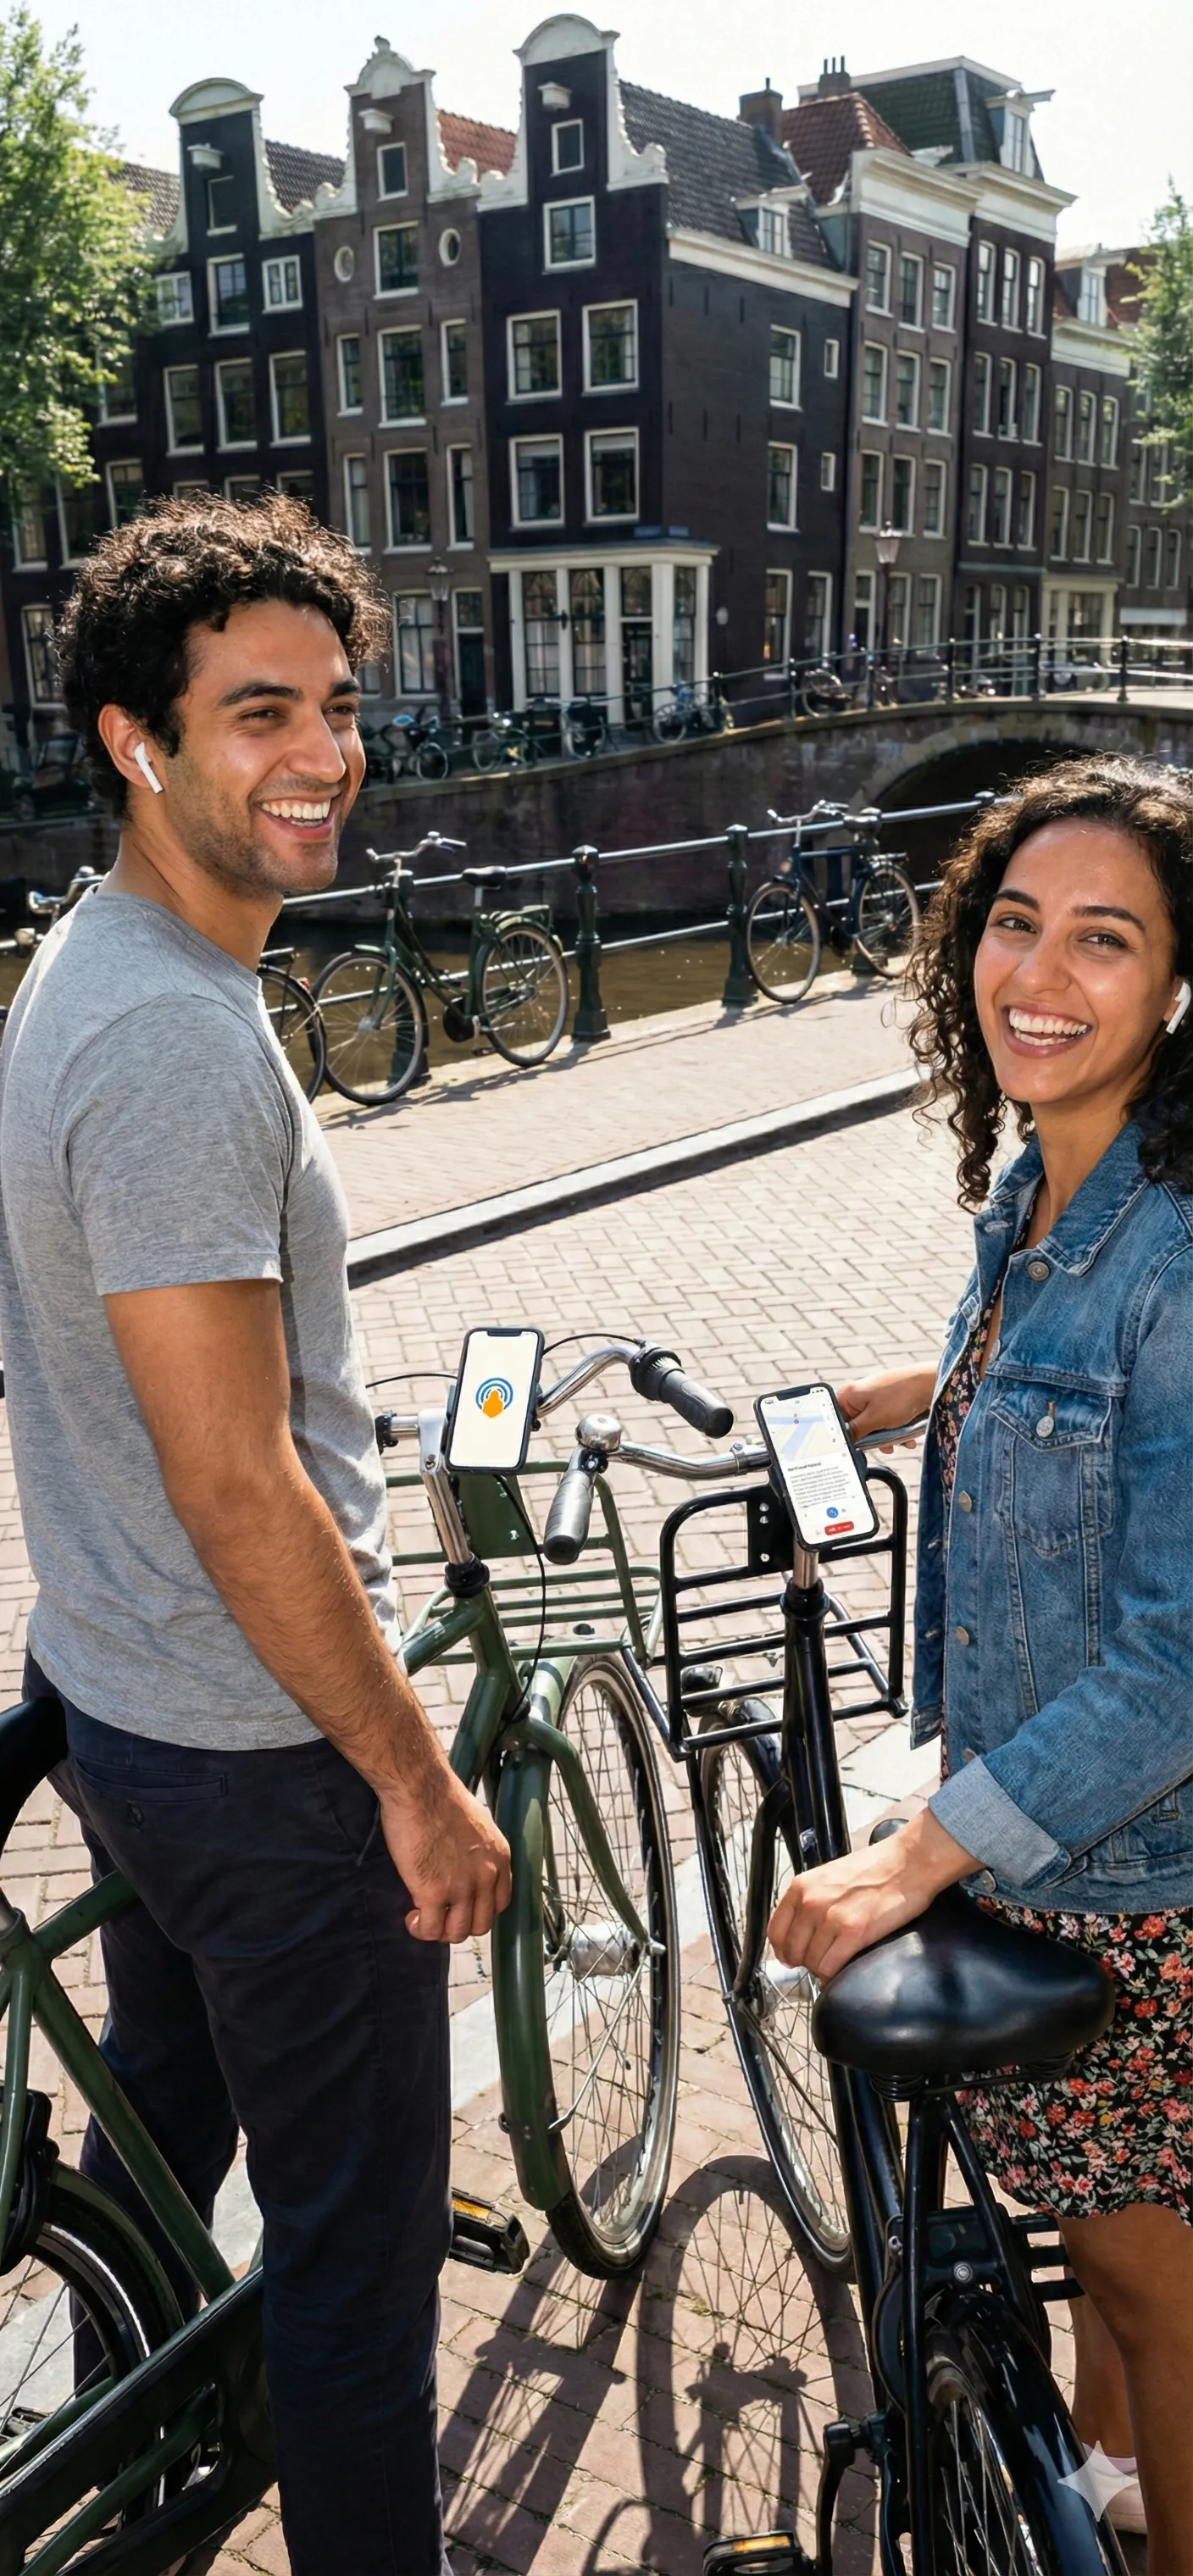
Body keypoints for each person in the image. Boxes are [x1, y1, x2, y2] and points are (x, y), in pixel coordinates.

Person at [0, 492, 511, 2575]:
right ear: (139, 742)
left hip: (125, 1708)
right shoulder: (168, 1039)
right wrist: (410, 1777)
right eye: (255, 713)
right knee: (354, 2266)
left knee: (167, 2123)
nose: (319, 752)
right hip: (263, 1763)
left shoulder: (84, 965)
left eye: (336, 704)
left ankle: (113, 2449)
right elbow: (235, 1479)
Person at [769, 758, 1193, 2569]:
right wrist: (919, 1392)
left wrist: (912, 1847)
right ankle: (1094, 2477)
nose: (1037, 969)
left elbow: (1177, 1660)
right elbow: (1071, 1404)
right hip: (1060, 1841)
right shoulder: (1049, 1180)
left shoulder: (1175, 1240)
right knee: (1109, 2247)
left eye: (1102, 937)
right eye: (1011, 920)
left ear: (1177, 984)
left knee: (1153, 2285)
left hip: (1134, 1877)